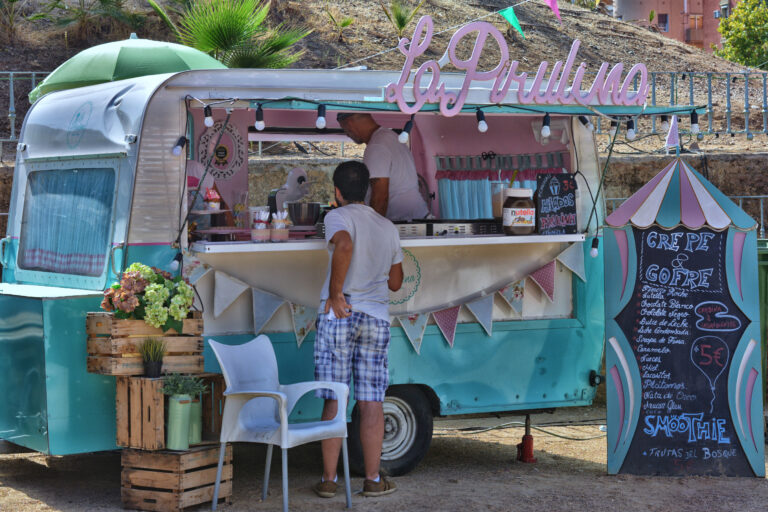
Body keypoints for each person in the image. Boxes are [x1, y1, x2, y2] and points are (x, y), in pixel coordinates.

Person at [313, 160, 403, 499]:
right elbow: (396, 282)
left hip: (342, 312)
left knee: (336, 396)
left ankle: (328, 480)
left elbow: (345, 245)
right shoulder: (387, 226)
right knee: (371, 402)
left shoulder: (337, 216)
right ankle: (373, 479)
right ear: (366, 190)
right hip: (376, 316)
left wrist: (336, 292)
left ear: (337, 192)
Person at [336, 112, 430, 221]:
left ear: (350, 123)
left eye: (345, 130)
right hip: (416, 217)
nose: (347, 134)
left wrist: (372, 230)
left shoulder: (377, 146)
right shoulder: (391, 136)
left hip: (402, 221)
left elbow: (380, 197)